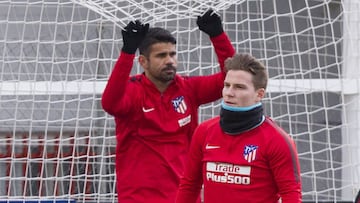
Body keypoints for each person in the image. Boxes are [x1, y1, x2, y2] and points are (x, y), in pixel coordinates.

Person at [101, 8, 235, 203]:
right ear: (143, 62)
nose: (170, 61)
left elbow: (230, 79)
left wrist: (218, 36)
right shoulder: (132, 90)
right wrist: (127, 52)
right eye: (161, 55)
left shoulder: (189, 89)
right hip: (138, 198)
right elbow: (110, 103)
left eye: (172, 54)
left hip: (184, 196)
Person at [176, 53, 302, 203]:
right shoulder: (204, 131)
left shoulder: (277, 140)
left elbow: (291, 195)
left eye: (239, 87)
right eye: (227, 85)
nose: (229, 93)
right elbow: (189, 185)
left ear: (259, 94)